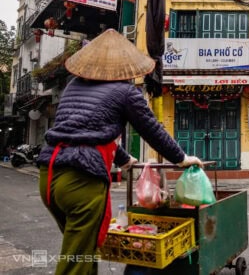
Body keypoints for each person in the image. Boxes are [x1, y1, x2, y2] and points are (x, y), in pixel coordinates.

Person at [37, 29, 203, 275]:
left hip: (48, 176)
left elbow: (86, 129)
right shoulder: (126, 93)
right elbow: (152, 129)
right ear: (125, 67)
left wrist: (124, 160)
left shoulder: (73, 86)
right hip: (80, 180)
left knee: (83, 249)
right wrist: (181, 158)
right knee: (76, 260)